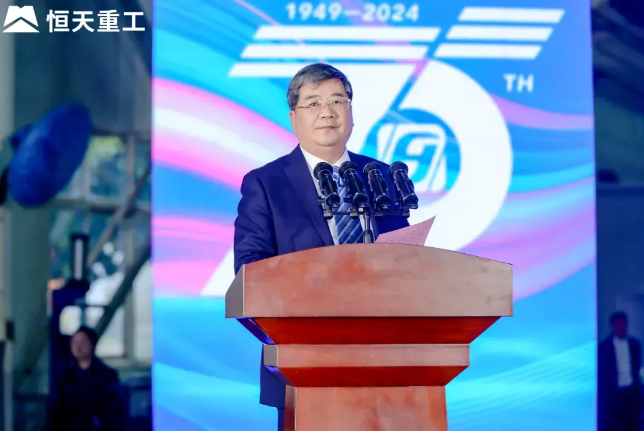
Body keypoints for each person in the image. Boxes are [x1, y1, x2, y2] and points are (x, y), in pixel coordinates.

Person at [233, 63, 410, 429]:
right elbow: (250, 269)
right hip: (302, 361)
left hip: (386, 361)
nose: (327, 112)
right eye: (313, 103)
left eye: (337, 101)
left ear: (351, 112)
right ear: (294, 118)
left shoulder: (379, 176)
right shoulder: (265, 183)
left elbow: (405, 259)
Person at [45, 326, 125, 431]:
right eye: (74, 341)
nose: (78, 346)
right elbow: (57, 409)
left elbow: (113, 414)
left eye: (83, 341)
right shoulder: (66, 376)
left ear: (92, 344)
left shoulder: (107, 375)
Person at [598, 311, 642, 431]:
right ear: (612, 327)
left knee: (632, 426)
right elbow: (601, 375)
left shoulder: (635, 345)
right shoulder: (603, 348)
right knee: (612, 426)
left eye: (624, 324)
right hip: (613, 396)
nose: (621, 328)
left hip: (631, 393)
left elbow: (637, 369)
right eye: (618, 325)